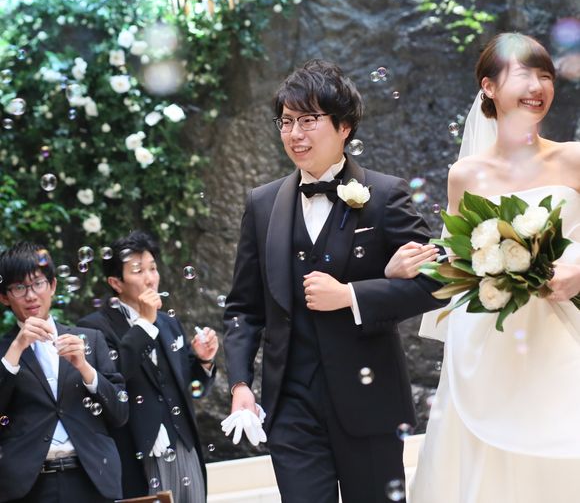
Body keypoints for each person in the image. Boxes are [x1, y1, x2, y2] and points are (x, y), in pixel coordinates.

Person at [222, 59, 444, 503]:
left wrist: (351, 295)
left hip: (370, 403)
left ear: (344, 126)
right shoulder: (262, 204)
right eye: (286, 121)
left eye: (308, 120)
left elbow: (435, 282)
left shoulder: (385, 195)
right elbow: (244, 308)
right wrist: (240, 385)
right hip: (291, 410)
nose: (294, 134)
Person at [409, 33, 580, 502]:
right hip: (490, 341)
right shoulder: (464, 175)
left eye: (545, 75)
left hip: (564, 334)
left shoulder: (573, 158)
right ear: (488, 86)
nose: (538, 87)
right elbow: (460, 263)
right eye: (523, 74)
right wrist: (421, 264)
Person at [78, 230, 218, 503]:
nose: (150, 278)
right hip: (137, 453)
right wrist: (144, 323)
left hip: (185, 446)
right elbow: (115, 376)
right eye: (138, 270)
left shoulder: (169, 323)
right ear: (115, 283)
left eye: (153, 268)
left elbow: (191, 386)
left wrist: (204, 360)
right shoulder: (94, 328)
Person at [0, 242, 128, 503]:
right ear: (4, 297)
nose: (31, 295)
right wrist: (15, 350)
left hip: (92, 478)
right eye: (19, 287)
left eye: (38, 283)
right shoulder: (5, 351)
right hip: (29, 487)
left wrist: (84, 367)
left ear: (53, 286)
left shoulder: (90, 339)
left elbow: (120, 413)